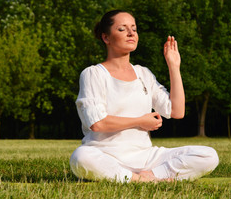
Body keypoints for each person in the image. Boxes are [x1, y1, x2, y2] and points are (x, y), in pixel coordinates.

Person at [69, 10, 219, 182]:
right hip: (105, 155)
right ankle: (140, 179)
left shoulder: (143, 74)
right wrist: (140, 121)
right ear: (106, 38)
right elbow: (97, 123)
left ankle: (150, 176)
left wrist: (174, 66)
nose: (131, 33)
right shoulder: (93, 74)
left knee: (208, 155)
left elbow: (176, 111)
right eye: (122, 29)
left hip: (146, 158)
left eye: (134, 28)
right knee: (80, 158)